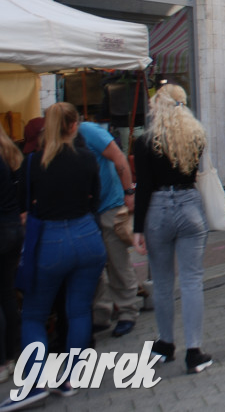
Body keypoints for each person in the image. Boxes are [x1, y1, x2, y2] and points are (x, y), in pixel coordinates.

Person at [13, 103, 106, 406]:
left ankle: (35, 380)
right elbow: (97, 198)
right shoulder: (88, 158)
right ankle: (70, 377)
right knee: (79, 310)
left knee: (34, 314)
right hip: (87, 235)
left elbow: (26, 206)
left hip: (52, 238)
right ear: (73, 126)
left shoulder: (33, 162)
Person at [132, 84, 212, 374]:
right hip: (190, 205)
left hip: (157, 209)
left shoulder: (144, 142)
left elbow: (143, 188)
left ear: (158, 106)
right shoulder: (196, 135)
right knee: (192, 281)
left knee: (164, 283)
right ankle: (194, 349)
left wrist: (137, 228)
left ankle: (166, 344)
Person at [77, 120, 139, 339]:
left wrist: (128, 192)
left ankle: (127, 312)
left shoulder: (87, 131)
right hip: (89, 210)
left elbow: (118, 157)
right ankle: (101, 313)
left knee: (117, 261)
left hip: (110, 205)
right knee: (94, 265)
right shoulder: (67, 139)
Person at [0, 125, 22, 384]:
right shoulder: (11, 155)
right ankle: (14, 354)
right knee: (7, 294)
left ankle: (3, 360)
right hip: (13, 227)